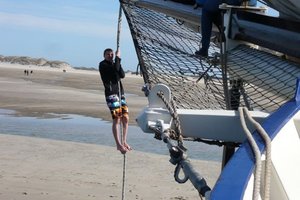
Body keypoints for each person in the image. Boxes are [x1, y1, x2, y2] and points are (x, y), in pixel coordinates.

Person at [99, 48, 131, 154]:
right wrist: (118, 58)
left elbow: (122, 75)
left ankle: (124, 141)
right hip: (112, 94)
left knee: (125, 118)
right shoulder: (103, 65)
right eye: (108, 54)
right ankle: (118, 144)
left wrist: (118, 60)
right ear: (104, 55)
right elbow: (113, 72)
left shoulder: (115, 63)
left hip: (120, 94)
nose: (110, 56)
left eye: (111, 54)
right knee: (117, 119)